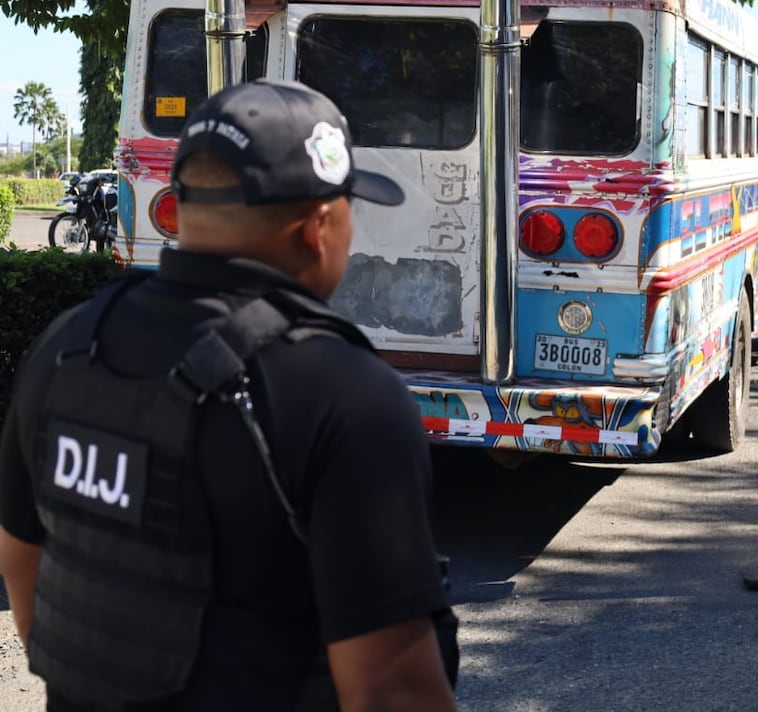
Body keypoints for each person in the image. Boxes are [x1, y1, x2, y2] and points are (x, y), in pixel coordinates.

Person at [0, 80, 459, 711]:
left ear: (185, 207)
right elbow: (391, 690)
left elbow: (23, 561)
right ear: (319, 227)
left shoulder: (67, 348)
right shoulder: (345, 395)